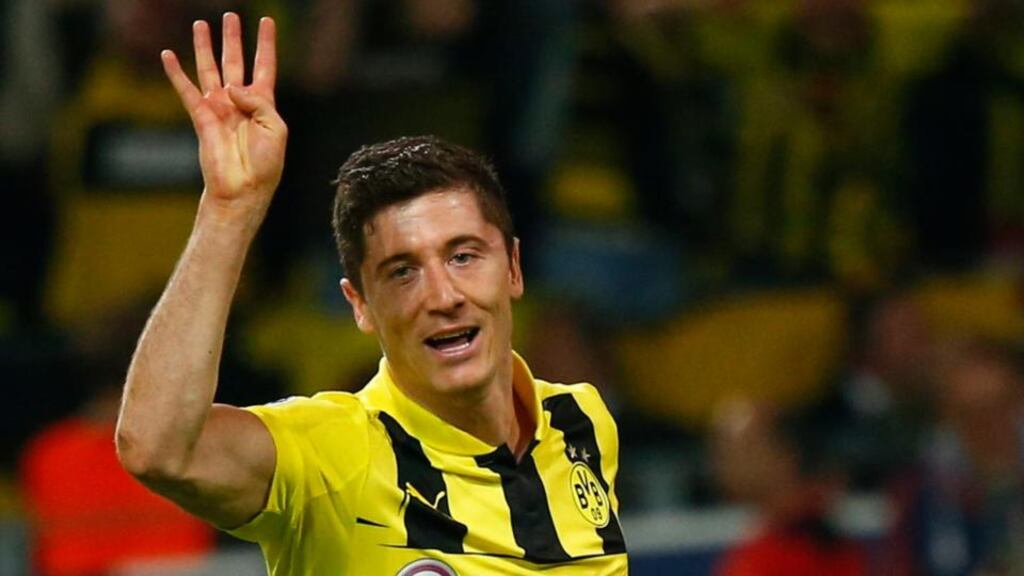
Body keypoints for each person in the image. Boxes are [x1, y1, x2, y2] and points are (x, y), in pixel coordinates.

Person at [114, 12, 627, 575]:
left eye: (463, 256)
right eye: (402, 272)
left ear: (512, 269)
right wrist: (229, 212)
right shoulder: (334, 455)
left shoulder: (581, 420)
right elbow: (156, 449)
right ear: (360, 305)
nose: (443, 295)